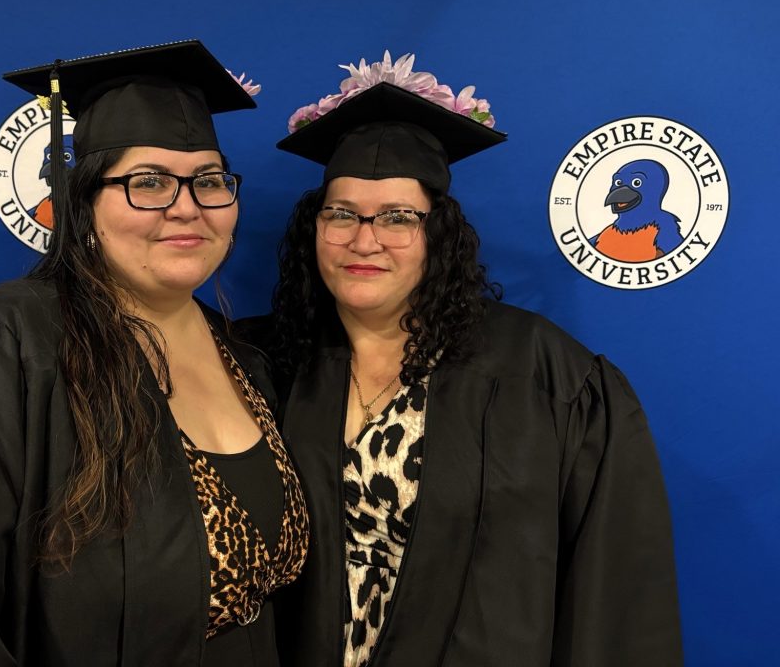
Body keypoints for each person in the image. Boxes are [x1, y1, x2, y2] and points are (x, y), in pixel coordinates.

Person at [0, 41, 309, 667]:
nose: (186, 206)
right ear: (84, 201)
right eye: (147, 182)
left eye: (209, 180)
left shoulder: (245, 360)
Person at [246, 58, 683, 666]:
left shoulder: (543, 373)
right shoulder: (263, 362)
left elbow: (615, 591)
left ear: (440, 234)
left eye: (399, 217)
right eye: (341, 213)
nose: (363, 239)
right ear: (313, 227)